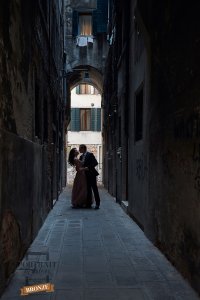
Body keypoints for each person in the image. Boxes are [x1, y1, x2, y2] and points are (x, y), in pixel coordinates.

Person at [79, 144, 100, 209]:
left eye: (80, 148)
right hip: (85, 175)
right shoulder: (81, 157)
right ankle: (88, 204)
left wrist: (88, 168)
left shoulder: (90, 155)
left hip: (91, 174)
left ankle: (97, 204)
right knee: (88, 189)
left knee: (94, 189)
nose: (79, 150)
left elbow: (95, 163)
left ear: (83, 148)